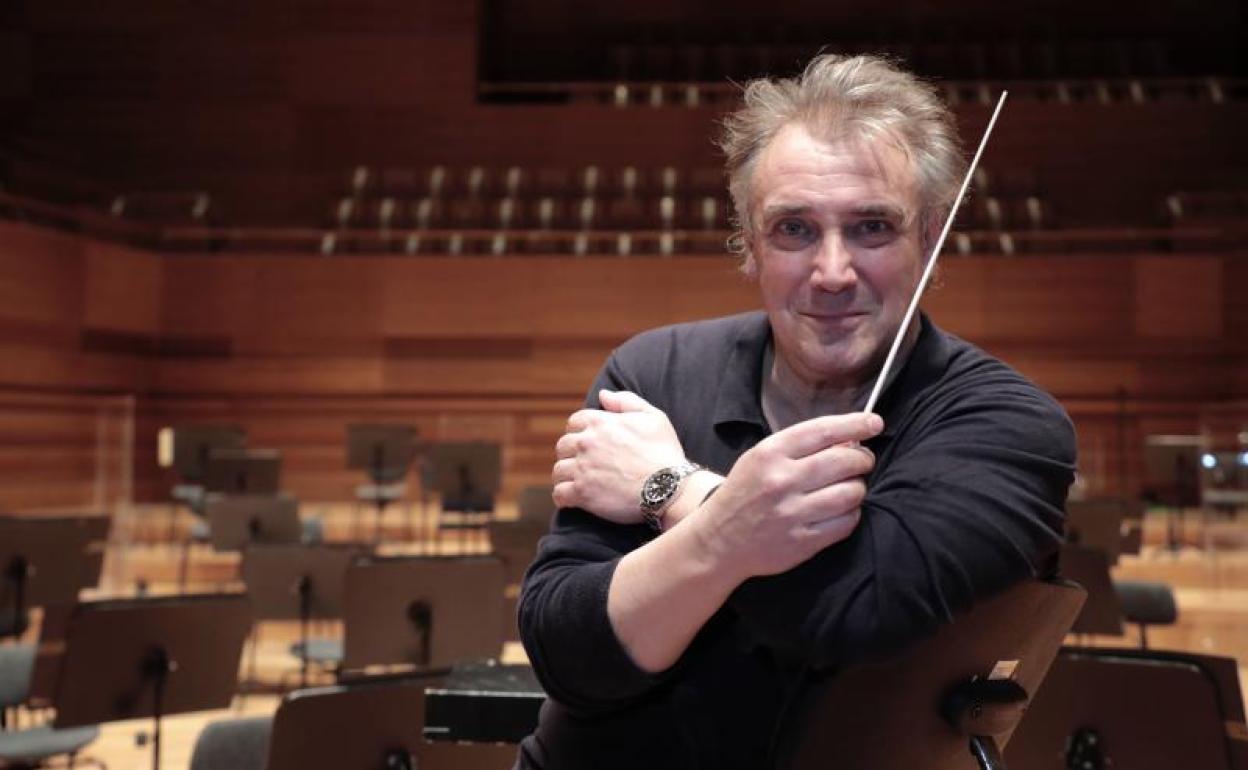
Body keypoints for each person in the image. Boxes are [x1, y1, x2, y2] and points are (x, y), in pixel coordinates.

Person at [516, 53, 1075, 770]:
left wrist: (675, 493)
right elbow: (571, 655)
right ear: (749, 246)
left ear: (929, 242)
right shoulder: (653, 374)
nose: (833, 272)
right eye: (794, 230)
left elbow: (855, 615)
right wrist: (725, 528)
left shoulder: (1005, 424)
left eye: (872, 226)